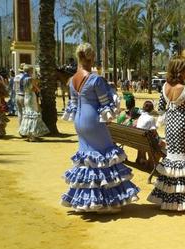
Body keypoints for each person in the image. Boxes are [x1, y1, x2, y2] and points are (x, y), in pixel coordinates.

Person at [60, 43, 140, 213]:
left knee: (87, 158)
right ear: (91, 57)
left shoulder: (72, 80)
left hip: (79, 121)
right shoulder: (95, 79)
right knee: (103, 156)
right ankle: (105, 203)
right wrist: (111, 112)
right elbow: (106, 104)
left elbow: (73, 104)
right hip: (94, 120)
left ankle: (85, 200)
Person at [147, 58, 185, 211]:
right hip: (184, 127)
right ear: (180, 71)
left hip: (170, 126)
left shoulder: (165, 87)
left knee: (173, 158)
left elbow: (162, 108)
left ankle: (169, 198)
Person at [18, 65, 50, 141]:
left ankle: (28, 134)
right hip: (31, 97)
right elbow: (36, 89)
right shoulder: (31, 79)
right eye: (32, 70)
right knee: (34, 114)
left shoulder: (22, 79)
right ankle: (33, 135)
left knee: (28, 114)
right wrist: (38, 87)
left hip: (26, 96)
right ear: (30, 71)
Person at [135, 101, 164, 167]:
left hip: (139, 141)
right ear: (152, 109)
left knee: (151, 142)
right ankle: (152, 162)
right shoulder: (151, 118)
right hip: (147, 143)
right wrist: (159, 140)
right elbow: (154, 132)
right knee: (162, 145)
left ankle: (147, 161)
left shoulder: (140, 117)